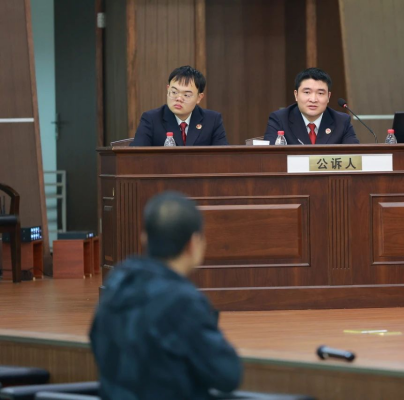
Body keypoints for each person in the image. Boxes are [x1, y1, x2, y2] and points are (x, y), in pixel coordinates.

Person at [89, 192, 242, 399]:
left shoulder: (117, 281)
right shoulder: (182, 301)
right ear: (193, 243)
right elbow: (228, 374)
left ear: (145, 238)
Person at [131, 66, 229, 146]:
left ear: (199, 97)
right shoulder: (151, 119)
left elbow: (222, 157)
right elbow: (137, 156)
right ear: (168, 90)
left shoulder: (212, 120)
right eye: (174, 92)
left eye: (186, 95)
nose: (179, 98)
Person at [263, 68, 359, 145]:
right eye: (307, 92)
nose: (313, 99)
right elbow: (270, 157)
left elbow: (354, 156)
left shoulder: (342, 122)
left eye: (320, 93)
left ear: (328, 97)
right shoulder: (280, 120)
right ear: (296, 95)